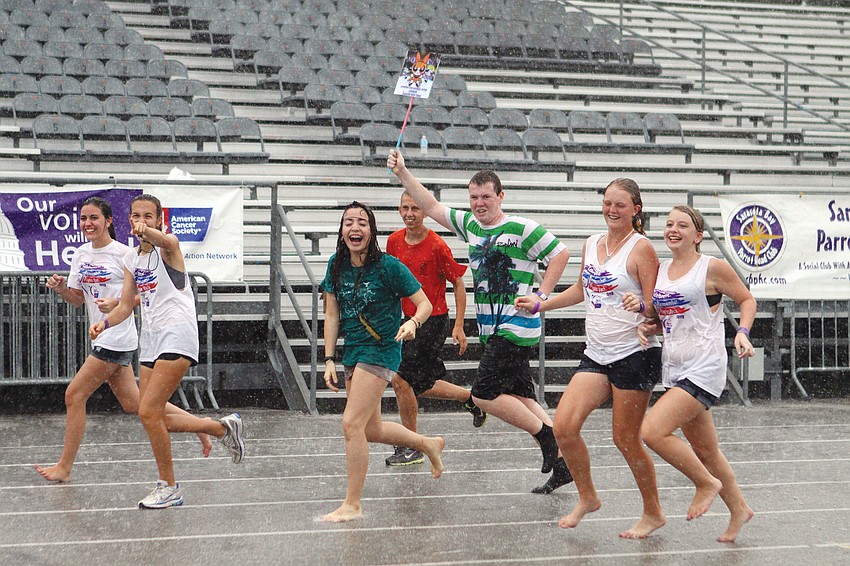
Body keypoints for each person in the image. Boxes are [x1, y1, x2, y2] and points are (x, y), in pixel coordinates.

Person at [388, 150, 573, 493]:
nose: (479, 203)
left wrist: (542, 296)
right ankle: (564, 463)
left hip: (515, 326)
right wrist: (402, 173)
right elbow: (430, 205)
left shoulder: (521, 228)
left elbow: (560, 253)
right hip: (491, 328)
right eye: (474, 197)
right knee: (522, 397)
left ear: (501, 196)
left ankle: (547, 437)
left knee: (484, 394)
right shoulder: (471, 226)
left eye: (486, 196)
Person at [516, 178, 665, 537]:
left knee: (626, 440)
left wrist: (642, 306)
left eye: (620, 205)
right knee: (564, 427)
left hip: (635, 353)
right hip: (596, 353)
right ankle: (588, 497)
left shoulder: (641, 249)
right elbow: (581, 290)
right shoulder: (592, 243)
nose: (612, 210)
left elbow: (658, 306)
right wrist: (541, 304)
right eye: (607, 203)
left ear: (636, 209)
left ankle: (653, 512)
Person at [35, 197, 212, 483]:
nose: (88, 223)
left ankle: (65, 466)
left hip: (121, 337)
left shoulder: (126, 252)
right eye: (83, 218)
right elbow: (78, 299)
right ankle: (202, 425)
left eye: (94, 218)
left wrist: (115, 305)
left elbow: (148, 288)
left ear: (108, 221)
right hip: (107, 332)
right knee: (137, 404)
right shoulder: (83, 255)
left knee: (74, 395)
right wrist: (63, 290)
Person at [90, 194, 245, 509]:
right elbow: (125, 306)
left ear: (159, 220)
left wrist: (148, 232)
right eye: (136, 216)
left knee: (149, 412)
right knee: (153, 415)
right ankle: (220, 428)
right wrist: (104, 323)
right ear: (128, 219)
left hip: (177, 333)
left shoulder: (169, 247)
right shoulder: (131, 259)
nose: (141, 221)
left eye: (148, 216)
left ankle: (169, 486)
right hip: (151, 338)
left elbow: (163, 240)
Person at [624, 205, 755, 543]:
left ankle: (705, 483)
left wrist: (742, 332)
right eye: (669, 224)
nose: (673, 230)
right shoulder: (661, 271)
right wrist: (647, 324)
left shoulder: (711, 267)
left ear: (697, 235)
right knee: (707, 451)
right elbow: (667, 315)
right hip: (675, 366)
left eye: (682, 225)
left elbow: (747, 299)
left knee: (652, 431)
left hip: (704, 365)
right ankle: (739, 508)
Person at [320, 201, 445, 523]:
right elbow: (332, 314)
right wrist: (329, 358)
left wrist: (413, 323)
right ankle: (427, 444)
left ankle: (352, 504)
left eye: (362, 222)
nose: (355, 228)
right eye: (349, 222)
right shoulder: (336, 265)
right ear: (341, 231)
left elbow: (424, 304)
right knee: (370, 429)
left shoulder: (388, 266)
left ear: (372, 231)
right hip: (353, 351)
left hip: (381, 350)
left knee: (351, 424)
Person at [385, 191, 487, 467]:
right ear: (399, 210)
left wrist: (459, 325)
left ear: (425, 212)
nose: (410, 214)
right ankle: (471, 399)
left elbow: (458, 282)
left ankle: (413, 446)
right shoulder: (393, 242)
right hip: (406, 320)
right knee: (421, 383)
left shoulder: (437, 246)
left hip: (433, 321)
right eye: (405, 208)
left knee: (401, 380)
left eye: (415, 208)